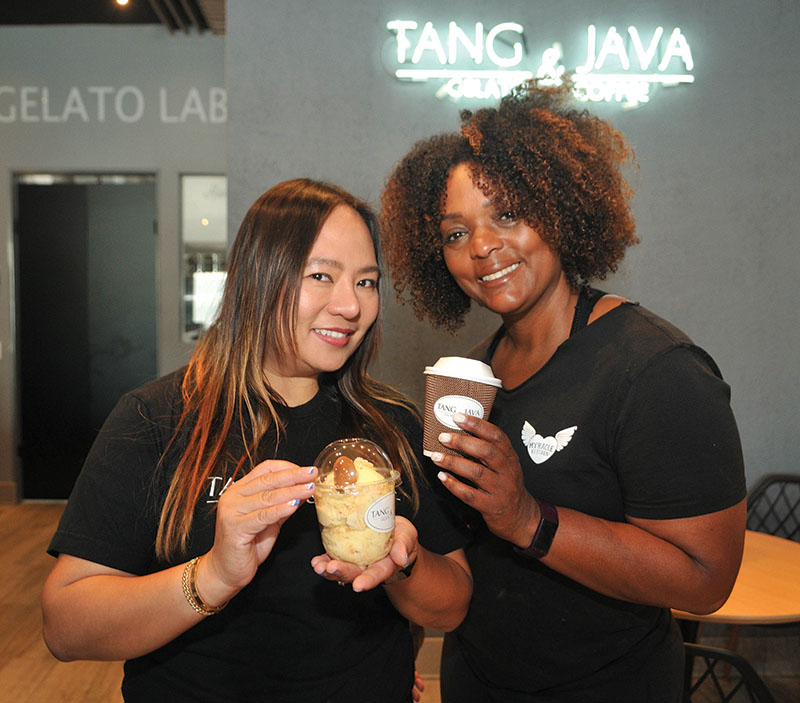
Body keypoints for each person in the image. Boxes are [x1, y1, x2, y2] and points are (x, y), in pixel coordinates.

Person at [380, 79, 746, 702]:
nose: (483, 246)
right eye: (455, 233)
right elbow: (456, 562)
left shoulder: (655, 369)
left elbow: (705, 581)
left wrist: (528, 519)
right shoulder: (470, 377)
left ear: (560, 209)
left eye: (508, 214)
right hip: (475, 684)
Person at [42, 178, 472, 703]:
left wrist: (402, 563)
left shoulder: (392, 424)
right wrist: (214, 576)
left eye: (366, 281)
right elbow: (65, 627)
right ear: (259, 277)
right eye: (321, 275)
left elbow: (452, 605)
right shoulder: (157, 419)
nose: (351, 305)